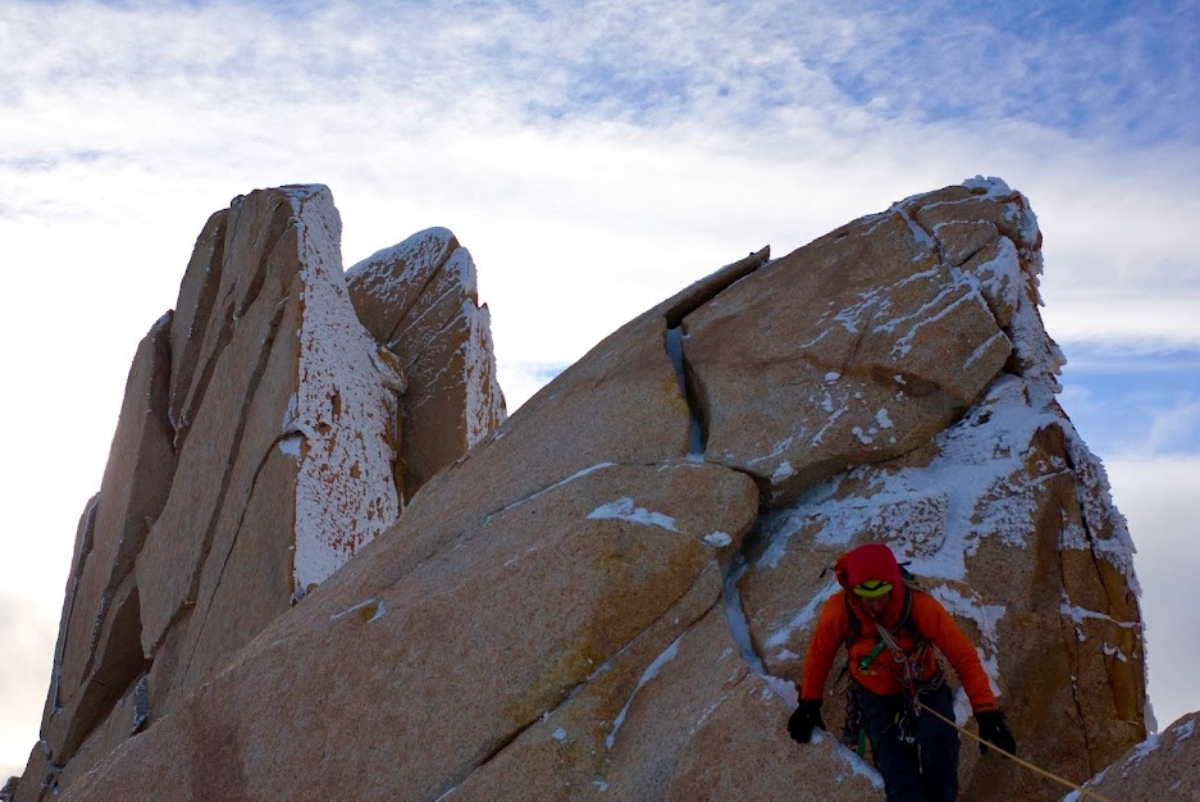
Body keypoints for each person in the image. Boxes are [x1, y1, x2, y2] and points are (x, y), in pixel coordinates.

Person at [788, 543, 1016, 802]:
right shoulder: (840, 610)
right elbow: (820, 655)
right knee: (900, 779)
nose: (874, 605)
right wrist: (809, 702)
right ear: (853, 590)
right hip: (876, 695)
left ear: (893, 585)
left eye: (881, 594)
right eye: (866, 596)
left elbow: (963, 656)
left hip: (925, 687)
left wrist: (987, 712)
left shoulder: (919, 606)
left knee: (940, 745)